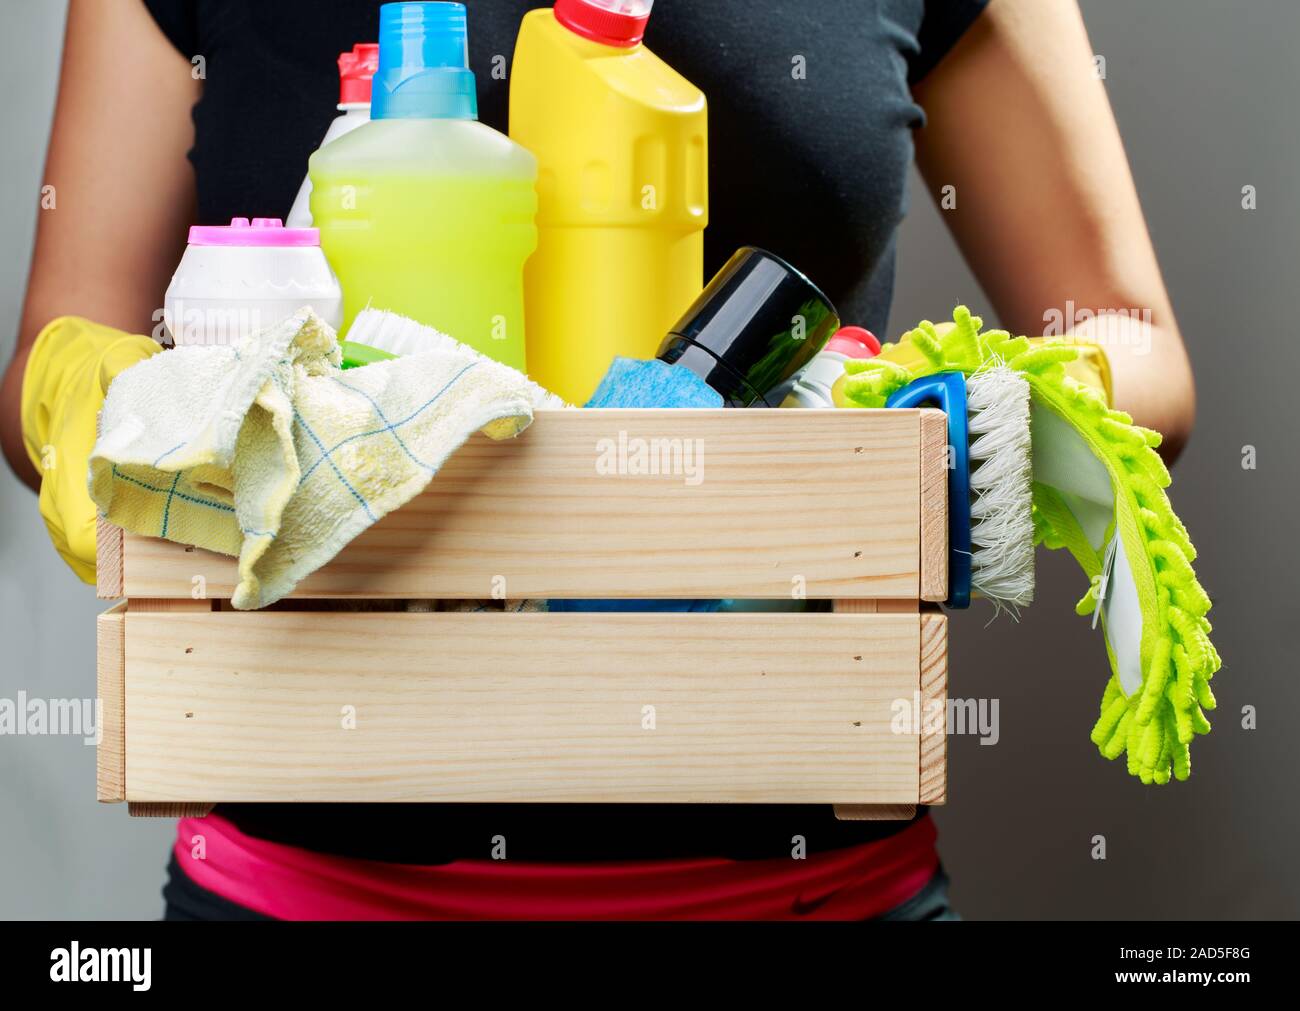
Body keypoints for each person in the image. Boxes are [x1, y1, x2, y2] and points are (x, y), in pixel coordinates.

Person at [1, 0, 1195, 920]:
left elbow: (1132, 343)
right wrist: (171, 415)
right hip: (294, 901)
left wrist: (953, 433)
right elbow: (51, 363)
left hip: (811, 895)